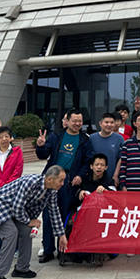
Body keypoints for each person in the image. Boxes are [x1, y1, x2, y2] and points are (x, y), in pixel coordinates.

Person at [0, 167, 68, 279]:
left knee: (26, 231)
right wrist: (29, 221)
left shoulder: (52, 191)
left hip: (15, 210)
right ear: (50, 179)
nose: (62, 184)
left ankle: (21, 268)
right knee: (11, 233)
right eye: (61, 180)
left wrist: (61, 235)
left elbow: (54, 212)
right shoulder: (30, 182)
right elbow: (17, 207)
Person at [34, 108, 90, 263]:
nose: (77, 123)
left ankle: (63, 250)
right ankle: (48, 250)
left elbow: (88, 161)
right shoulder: (56, 136)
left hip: (70, 182)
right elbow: (43, 154)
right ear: (68, 121)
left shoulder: (85, 140)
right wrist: (40, 145)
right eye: (74, 120)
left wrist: (80, 175)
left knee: (65, 216)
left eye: (80, 121)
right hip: (52, 180)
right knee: (48, 215)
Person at [0, 127, 24, 263]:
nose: (4, 139)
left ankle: (15, 249)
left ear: (11, 138)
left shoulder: (17, 152)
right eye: (1, 137)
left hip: (13, 193)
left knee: (13, 221)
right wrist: (2, 186)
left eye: (7, 136)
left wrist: (7, 187)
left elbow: (17, 171)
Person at [87, 113, 124, 178]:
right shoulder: (92, 138)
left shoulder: (119, 139)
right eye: (106, 122)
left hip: (112, 178)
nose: (109, 125)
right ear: (100, 123)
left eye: (112, 122)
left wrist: (116, 175)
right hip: (94, 178)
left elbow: (121, 159)